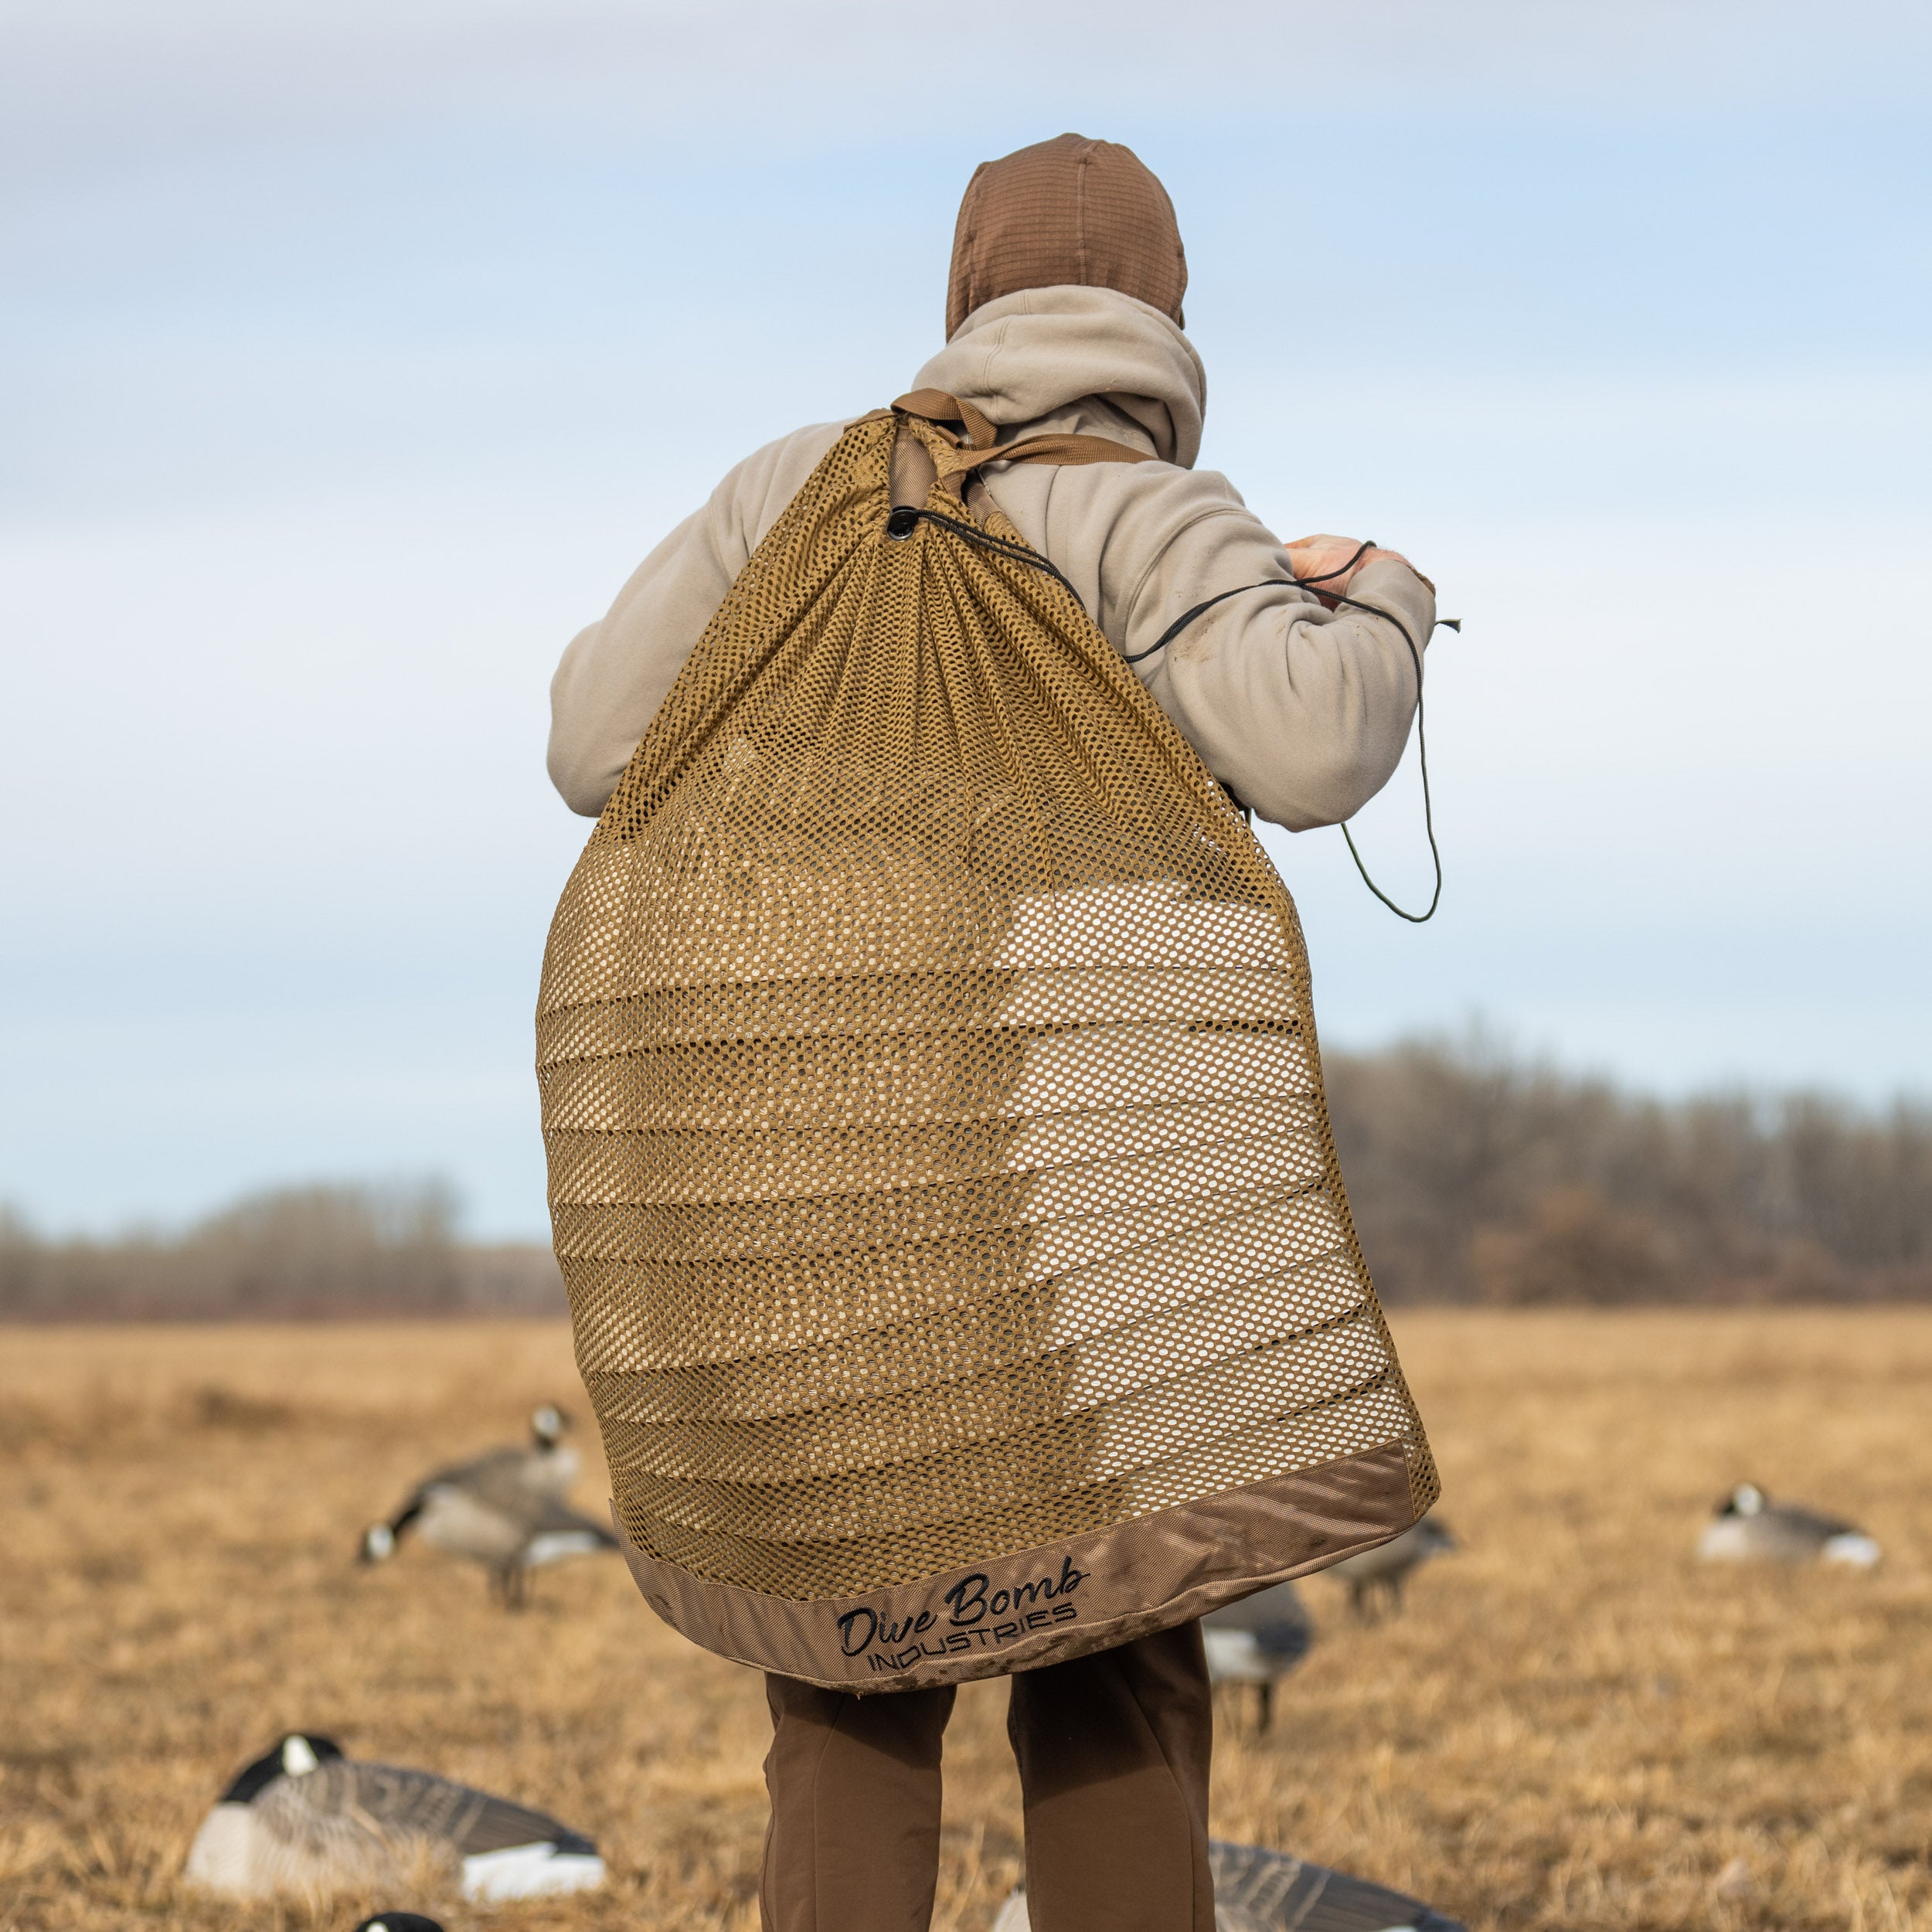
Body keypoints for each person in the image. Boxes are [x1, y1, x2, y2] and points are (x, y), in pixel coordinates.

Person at [546, 133, 1435, 1932]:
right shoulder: (1146, 509)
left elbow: (588, 745)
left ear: (962, 294)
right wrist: (1376, 591)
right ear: (1167, 312)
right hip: (1068, 1174)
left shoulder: (794, 492)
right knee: (1114, 1634)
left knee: (845, 1666)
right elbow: (1313, 747)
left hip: (809, 1164)